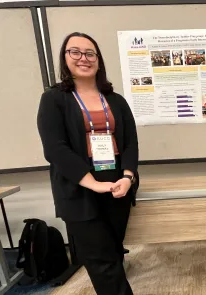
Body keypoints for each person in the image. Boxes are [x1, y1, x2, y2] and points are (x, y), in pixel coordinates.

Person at [37, 32, 139, 295]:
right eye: (75, 52)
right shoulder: (53, 99)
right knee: (101, 261)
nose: (84, 58)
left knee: (113, 251)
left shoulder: (116, 100)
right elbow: (55, 149)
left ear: (99, 60)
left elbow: (130, 144)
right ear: (65, 58)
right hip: (78, 188)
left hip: (117, 186)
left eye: (90, 53)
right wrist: (92, 183)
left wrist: (127, 177)